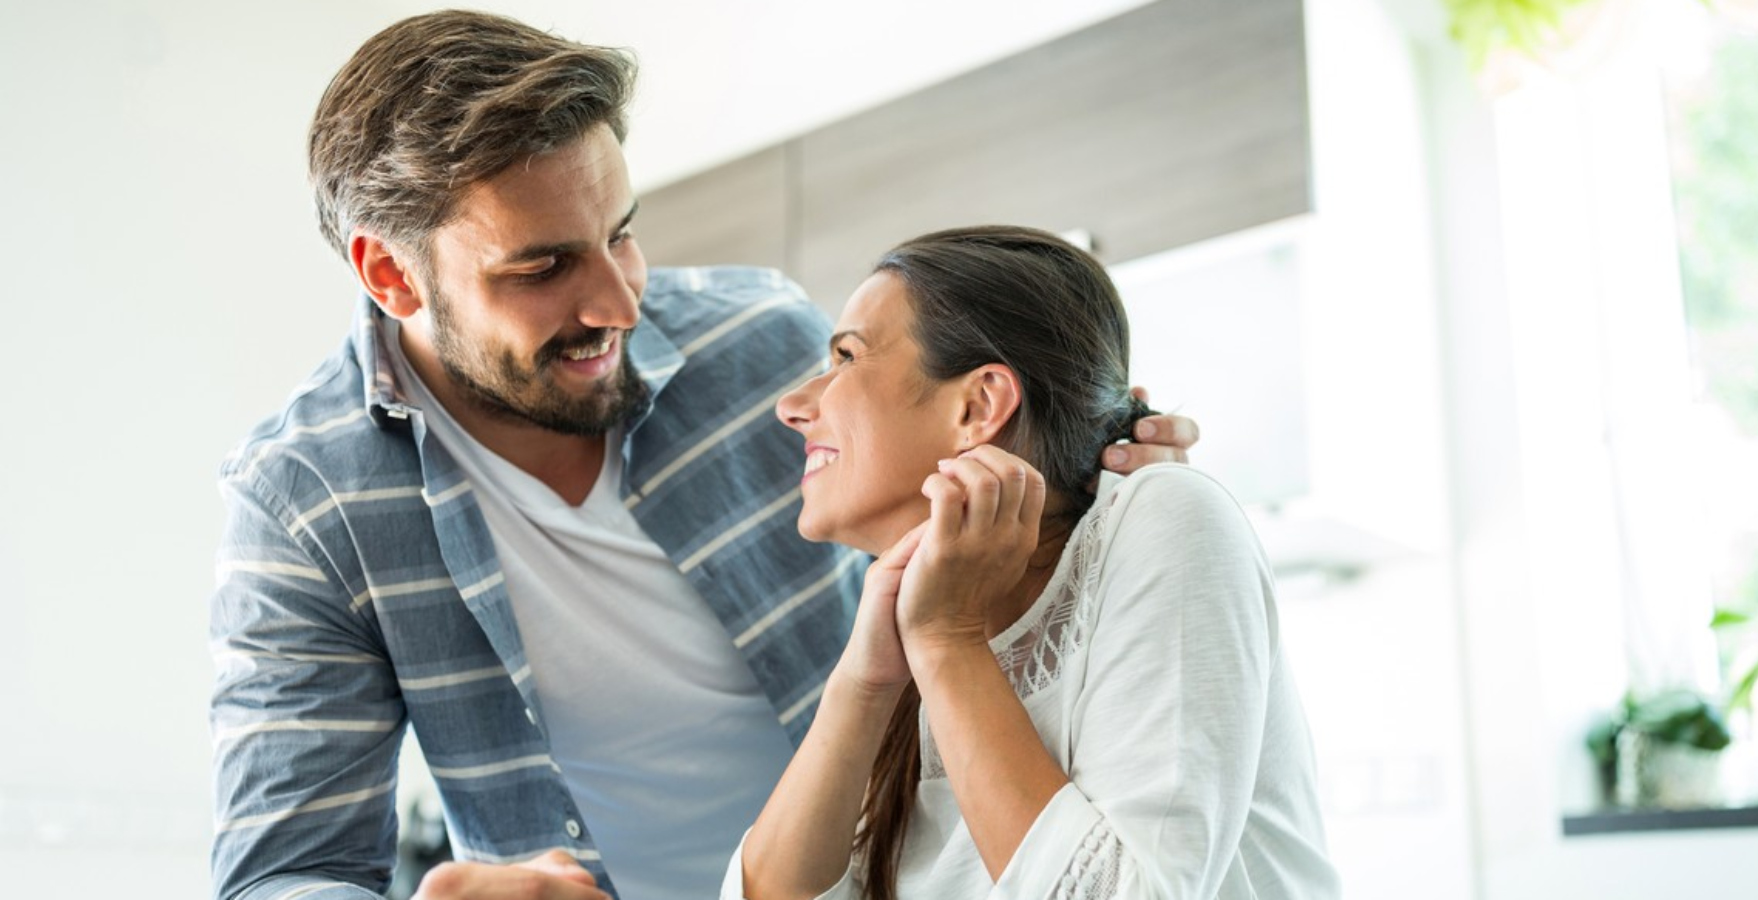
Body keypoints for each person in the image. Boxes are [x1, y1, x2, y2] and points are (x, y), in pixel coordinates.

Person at [207, 12, 1198, 900]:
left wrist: (1089, 464)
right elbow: (285, 873)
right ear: (390, 273)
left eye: (621, 234)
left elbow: (981, 555)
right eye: (544, 267)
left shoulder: (757, 337)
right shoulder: (304, 500)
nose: (620, 304)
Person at [730, 226, 1338, 900]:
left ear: (979, 404)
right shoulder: (901, 615)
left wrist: (946, 641)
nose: (792, 406)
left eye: (847, 356)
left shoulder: (1165, 514)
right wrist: (865, 682)